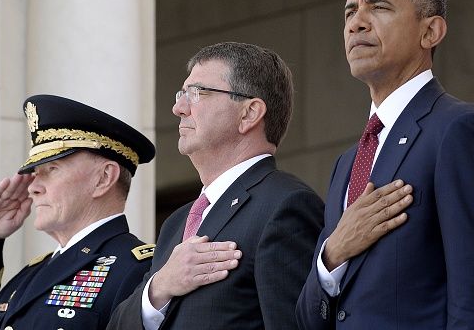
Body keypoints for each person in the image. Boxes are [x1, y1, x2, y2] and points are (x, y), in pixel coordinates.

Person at [296, 0, 474, 329]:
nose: (356, 23)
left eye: (378, 7)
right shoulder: (346, 164)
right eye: (350, 11)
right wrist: (333, 254)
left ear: (431, 31)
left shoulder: (458, 131)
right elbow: (305, 319)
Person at [108, 42, 324, 329]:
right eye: (182, 94)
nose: (178, 108)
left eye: (197, 93)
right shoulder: (177, 222)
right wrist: (159, 288)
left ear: (249, 113)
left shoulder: (285, 205)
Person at [0, 94, 156, 330]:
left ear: (103, 178)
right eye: (36, 172)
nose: (33, 187)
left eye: (52, 169)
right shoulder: (33, 274)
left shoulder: (138, 269)